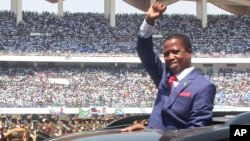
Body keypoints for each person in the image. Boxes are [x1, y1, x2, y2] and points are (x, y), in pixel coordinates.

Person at [121, 1, 216, 131]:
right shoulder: (163, 75)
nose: (170, 57)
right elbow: (146, 53)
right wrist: (148, 22)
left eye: (176, 52)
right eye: (166, 53)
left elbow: (196, 130)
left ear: (189, 53)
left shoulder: (203, 87)